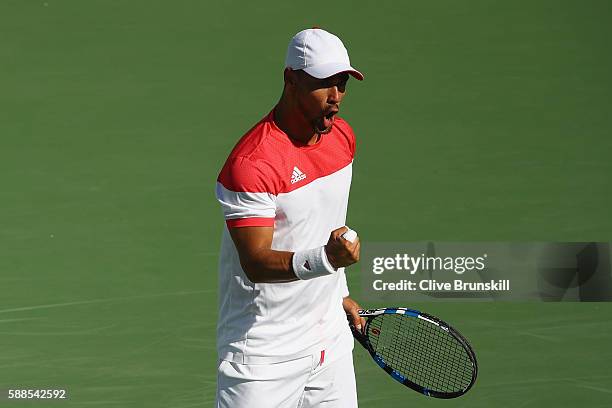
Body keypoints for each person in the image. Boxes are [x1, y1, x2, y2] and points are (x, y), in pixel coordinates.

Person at [215, 27, 365, 408]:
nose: (336, 98)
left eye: (342, 84)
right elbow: (255, 262)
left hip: (329, 343)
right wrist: (328, 259)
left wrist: (340, 294)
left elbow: (326, 225)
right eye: (324, 85)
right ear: (291, 80)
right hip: (264, 353)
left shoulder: (343, 139)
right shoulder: (253, 163)